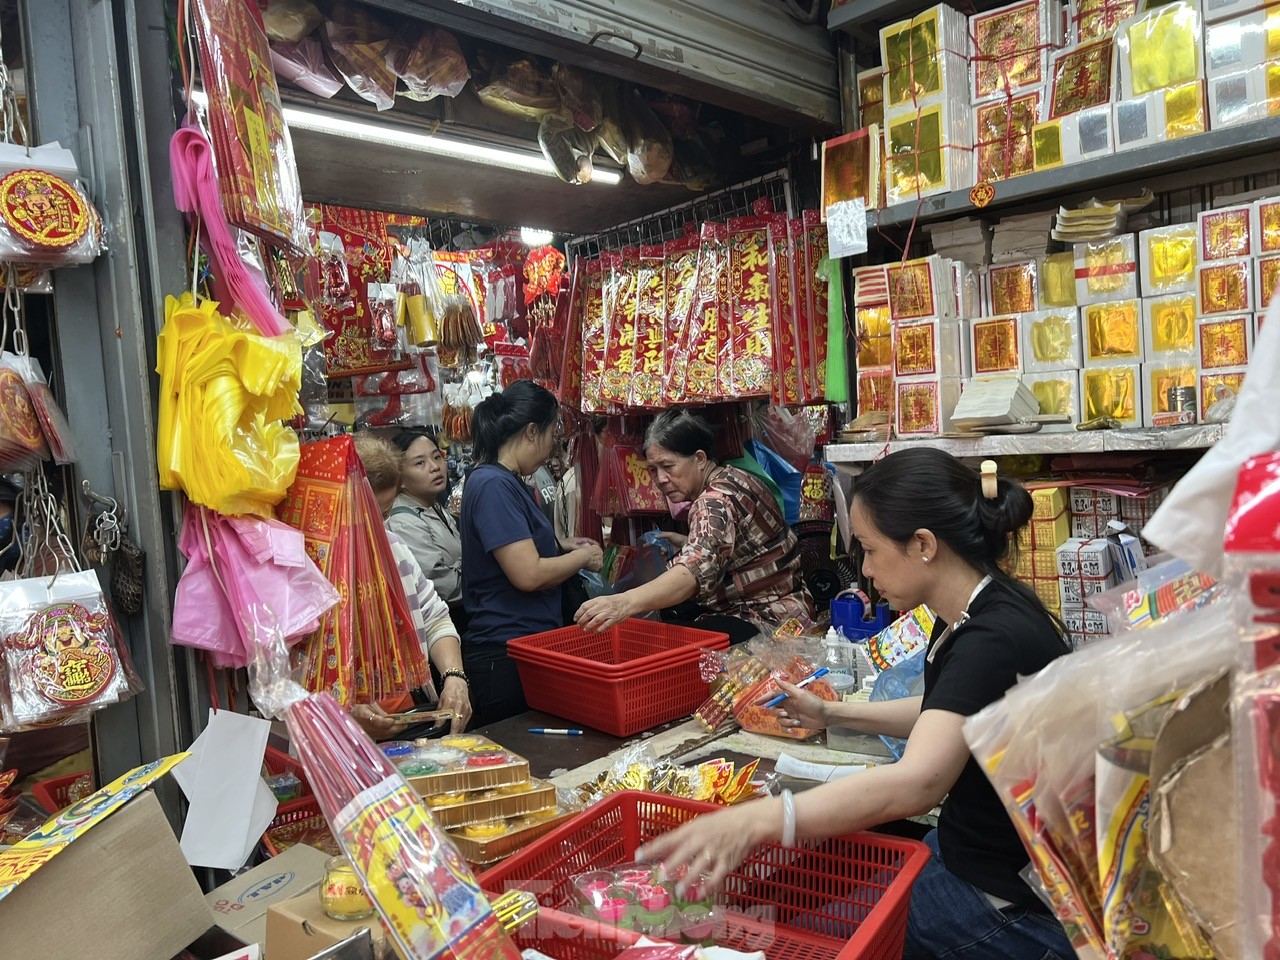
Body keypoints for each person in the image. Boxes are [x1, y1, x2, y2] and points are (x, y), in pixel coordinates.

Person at [637, 448, 1075, 960]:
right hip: (976, 852)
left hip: (1003, 901)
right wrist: (832, 713)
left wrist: (758, 820)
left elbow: (917, 784)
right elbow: (949, 712)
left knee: (808, 942)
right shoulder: (977, 607)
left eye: (868, 549)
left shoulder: (992, 635)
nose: (864, 570)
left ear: (924, 545)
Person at [574, 409, 812, 644]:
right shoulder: (737, 476)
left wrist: (623, 603)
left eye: (669, 466)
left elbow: (691, 575)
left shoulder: (712, 503)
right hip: (795, 609)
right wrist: (690, 543)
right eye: (653, 470)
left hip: (765, 623)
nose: (661, 479)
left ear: (699, 458)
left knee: (660, 636)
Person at [460, 381, 603, 726]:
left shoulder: (509, 482)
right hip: (505, 653)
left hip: (524, 645)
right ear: (531, 431)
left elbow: (520, 550)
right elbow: (528, 574)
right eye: (552, 435)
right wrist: (582, 559)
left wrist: (562, 546)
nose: (553, 449)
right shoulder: (493, 485)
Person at [350, 433, 472, 736]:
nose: (378, 529)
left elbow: (435, 618)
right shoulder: (312, 565)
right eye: (364, 518)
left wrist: (454, 677)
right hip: (345, 740)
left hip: (409, 715)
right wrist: (344, 710)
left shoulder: (395, 549)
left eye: (385, 515)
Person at [387, 427, 466, 628]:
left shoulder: (433, 505)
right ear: (400, 478)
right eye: (420, 463)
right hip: (439, 625)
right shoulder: (404, 521)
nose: (434, 467)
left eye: (437, 457)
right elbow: (442, 585)